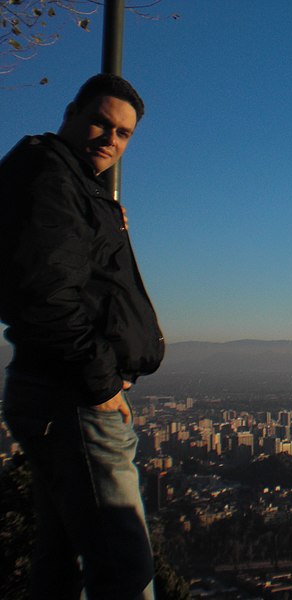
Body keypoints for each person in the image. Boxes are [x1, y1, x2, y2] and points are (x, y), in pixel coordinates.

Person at [0, 73, 164, 599]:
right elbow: (46, 295)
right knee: (124, 567)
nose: (111, 139)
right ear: (70, 112)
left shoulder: (70, 184)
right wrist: (102, 386)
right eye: (101, 121)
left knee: (60, 557)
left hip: (56, 391)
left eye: (124, 134)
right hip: (70, 397)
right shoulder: (50, 176)